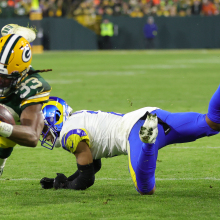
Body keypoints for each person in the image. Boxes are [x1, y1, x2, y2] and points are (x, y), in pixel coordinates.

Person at [40, 84, 220, 195]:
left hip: (134, 132)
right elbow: (94, 166)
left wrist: (66, 186)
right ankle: (149, 138)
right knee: (212, 122)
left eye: (43, 128)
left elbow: (87, 178)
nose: (43, 135)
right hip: (151, 114)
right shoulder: (78, 117)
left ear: (55, 118)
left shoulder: (67, 135)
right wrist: (65, 182)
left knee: (146, 189)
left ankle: (148, 143)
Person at [0, 24, 52, 177]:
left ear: (21, 73)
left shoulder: (34, 85)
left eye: (5, 79)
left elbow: (32, 136)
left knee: (9, 118)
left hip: (9, 117)